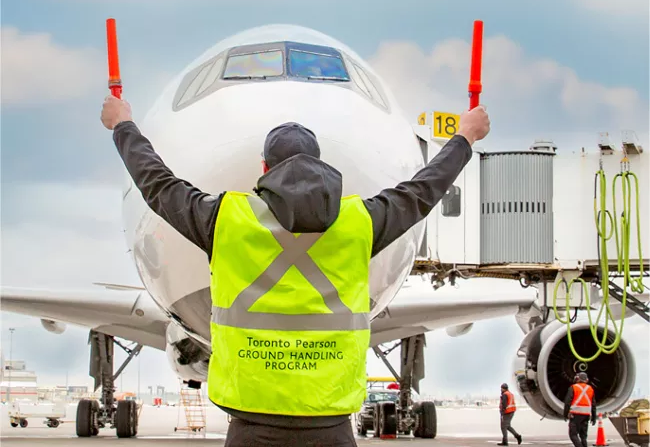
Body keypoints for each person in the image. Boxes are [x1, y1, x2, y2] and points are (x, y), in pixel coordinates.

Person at [100, 95, 490, 447]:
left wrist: (123, 126)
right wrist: (463, 139)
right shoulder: (361, 223)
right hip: (331, 425)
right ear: (321, 165)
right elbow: (423, 191)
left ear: (264, 168)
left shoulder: (226, 221)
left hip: (252, 425)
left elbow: (157, 184)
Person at [563, 372, 597, 447]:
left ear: (577, 379)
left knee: (573, 435)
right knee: (583, 436)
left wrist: (565, 414)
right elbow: (593, 405)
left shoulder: (573, 387)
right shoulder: (590, 389)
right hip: (586, 415)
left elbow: (567, 402)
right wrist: (594, 417)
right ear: (586, 380)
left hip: (576, 415)